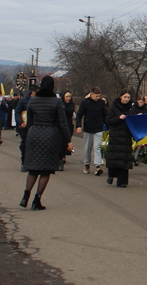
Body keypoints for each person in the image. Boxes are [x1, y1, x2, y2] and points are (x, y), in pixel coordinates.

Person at [19, 76, 71, 210]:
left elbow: (29, 121)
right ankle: (37, 200)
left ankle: (25, 195)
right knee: (45, 171)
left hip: (34, 134)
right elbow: (62, 123)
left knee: (33, 169)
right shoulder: (57, 102)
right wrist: (68, 140)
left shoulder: (33, 100)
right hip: (50, 136)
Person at [105, 90, 136, 187]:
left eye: (128, 97)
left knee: (125, 159)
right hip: (116, 136)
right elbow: (109, 120)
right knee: (115, 158)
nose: (126, 99)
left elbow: (134, 121)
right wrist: (118, 118)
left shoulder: (131, 108)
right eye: (125, 97)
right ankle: (111, 175)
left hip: (126, 136)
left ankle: (122, 181)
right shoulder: (114, 107)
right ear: (120, 97)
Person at [76, 87, 107, 176]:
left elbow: (104, 115)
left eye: (99, 96)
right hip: (88, 128)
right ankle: (87, 164)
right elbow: (79, 115)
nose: (98, 98)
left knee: (97, 147)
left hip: (98, 128)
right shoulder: (85, 102)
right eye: (96, 96)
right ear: (91, 94)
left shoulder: (101, 103)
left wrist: (107, 125)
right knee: (87, 148)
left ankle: (97, 166)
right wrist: (78, 126)